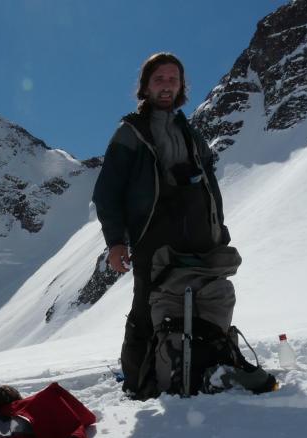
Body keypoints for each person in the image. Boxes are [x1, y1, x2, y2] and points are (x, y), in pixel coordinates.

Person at [92, 52, 232, 395]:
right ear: (146, 87)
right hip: (153, 236)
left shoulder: (192, 134)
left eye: (173, 79)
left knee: (205, 303)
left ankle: (200, 369)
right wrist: (116, 241)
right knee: (146, 309)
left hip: (199, 236)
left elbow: (210, 187)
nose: (166, 85)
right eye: (159, 79)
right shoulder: (130, 134)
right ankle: (140, 382)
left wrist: (219, 229)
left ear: (182, 86)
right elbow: (107, 192)